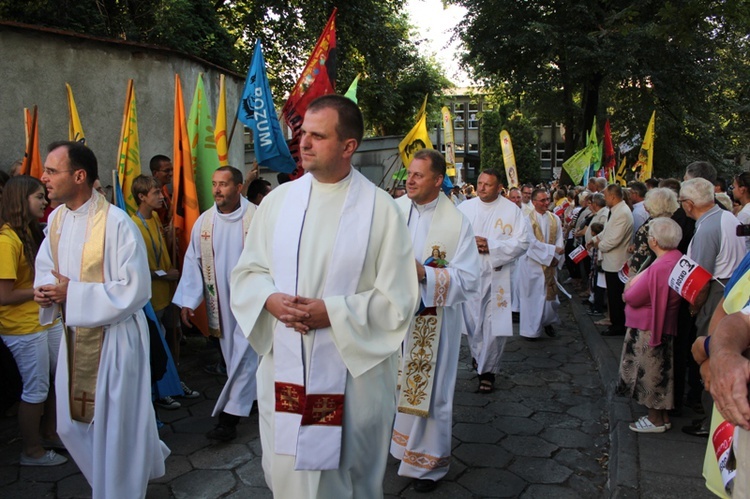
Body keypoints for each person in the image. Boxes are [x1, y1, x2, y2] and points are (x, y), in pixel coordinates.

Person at [229, 94, 419, 498]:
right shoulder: (278, 202)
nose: (304, 143)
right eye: (303, 134)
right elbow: (248, 272)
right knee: (288, 476)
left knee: (344, 478)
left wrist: (331, 312)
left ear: (348, 146)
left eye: (318, 135)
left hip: (352, 376)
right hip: (286, 367)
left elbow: (399, 298)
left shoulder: (381, 211)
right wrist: (269, 300)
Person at [34, 141, 168, 498]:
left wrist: (71, 294)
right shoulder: (58, 219)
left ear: (79, 176)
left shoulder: (117, 223)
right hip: (75, 337)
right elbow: (47, 267)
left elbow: (135, 289)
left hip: (116, 339)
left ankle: (118, 490)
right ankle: (114, 482)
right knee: (69, 425)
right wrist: (45, 290)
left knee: (115, 429)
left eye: (51, 170)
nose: (43, 177)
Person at [390, 149, 480, 492]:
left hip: (434, 319)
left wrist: (424, 273)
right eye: (408, 174)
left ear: (438, 180)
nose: (409, 181)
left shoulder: (457, 223)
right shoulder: (394, 210)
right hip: (396, 317)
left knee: (432, 393)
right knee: (400, 386)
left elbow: (469, 279)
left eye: (418, 175)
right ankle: (403, 447)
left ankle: (427, 465)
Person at [173, 166, 258, 441]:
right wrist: (188, 301)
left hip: (253, 301)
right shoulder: (205, 222)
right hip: (220, 301)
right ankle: (252, 399)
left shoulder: (257, 218)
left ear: (238, 187)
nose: (217, 190)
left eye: (223, 184)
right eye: (214, 184)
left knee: (245, 355)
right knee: (235, 356)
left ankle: (228, 419)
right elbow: (193, 261)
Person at [0, 176, 67, 466]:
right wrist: (41, 290)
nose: (45, 202)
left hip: (46, 319)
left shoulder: (30, 232)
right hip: (23, 327)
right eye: (39, 197)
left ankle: (51, 433)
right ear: (20, 200)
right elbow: (4, 295)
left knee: (58, 379)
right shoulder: (6, 240)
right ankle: (32, 450)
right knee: (36, 388)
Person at [679, 177, 744, 437]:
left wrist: (695, 309)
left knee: (709, 356)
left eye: (682, 202)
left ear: (690, 204)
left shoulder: (706, 228)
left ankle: (711, 421)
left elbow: (700, 278)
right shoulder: (726, 215)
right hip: (732, 288)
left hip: (718, 294)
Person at [130, 175, 199, 410]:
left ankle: (175, 380)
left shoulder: (156, 219)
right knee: (156, 344)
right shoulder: (133, 225)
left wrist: (170, 236)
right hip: (152, 296)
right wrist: (163, 274)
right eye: (156, 193)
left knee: (174, 336)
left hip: (169, 292)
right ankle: (160, 389)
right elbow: (134, 266)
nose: (161, 196)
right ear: (142, 197)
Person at [458, 169, 529, 391]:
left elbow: (523, 242)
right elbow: (451, 237)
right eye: (479, 183)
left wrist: (492, 246)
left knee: (493, 324)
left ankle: (488, 372)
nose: (481, 187)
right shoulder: (464, 208)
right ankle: (479, 356)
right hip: (470, 274)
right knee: (472, 323)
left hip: (498, 275)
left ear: (499, 188)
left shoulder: (512, 211)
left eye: (488, 184)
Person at [616, 218, 683, 432]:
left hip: (649, 326)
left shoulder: (660, 265)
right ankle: (661, 416)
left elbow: (634, 296)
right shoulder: (676, 258)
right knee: (661, 370)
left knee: (649, 371)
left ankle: (655, 419)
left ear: (654, 240)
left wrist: (628, 290)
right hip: (663, 323)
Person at [518, 188, 564, 340]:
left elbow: (559, 239)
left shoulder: (554, 219)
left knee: (548, 298)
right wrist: (552, 252)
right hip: (532, 265)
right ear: (534, 202)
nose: (546, 203)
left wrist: (556, 255)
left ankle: (547, 322)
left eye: (547, 199)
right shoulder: (526, 220)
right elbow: (530, 243)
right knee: (532, 297)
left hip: (550, 264)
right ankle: (530, 330)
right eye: (543, 200)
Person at [588, 184, 634, 336]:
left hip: (617, 262)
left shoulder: (622, 213)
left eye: (606, 196)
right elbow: (607, 231)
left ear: (613, 197)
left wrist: (598, 245)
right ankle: (616, 322)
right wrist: (594, 239)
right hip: (611, 260)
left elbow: (614, 239)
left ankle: (618, 325)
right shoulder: (615, 211)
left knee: (616, 296)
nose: (604, 199)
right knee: (613, 295)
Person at [628, 187, 679, 274]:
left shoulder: (652, 226)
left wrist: (633, 276)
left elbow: (642, 256)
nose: (644, 204)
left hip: (646, 271)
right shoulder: (672, 222)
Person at [148, 155, 173, 227]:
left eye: (172, 170)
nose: (171, 173)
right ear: (155, 173)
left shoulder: (164, 188)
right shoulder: (150, 193)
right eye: (167, 171)